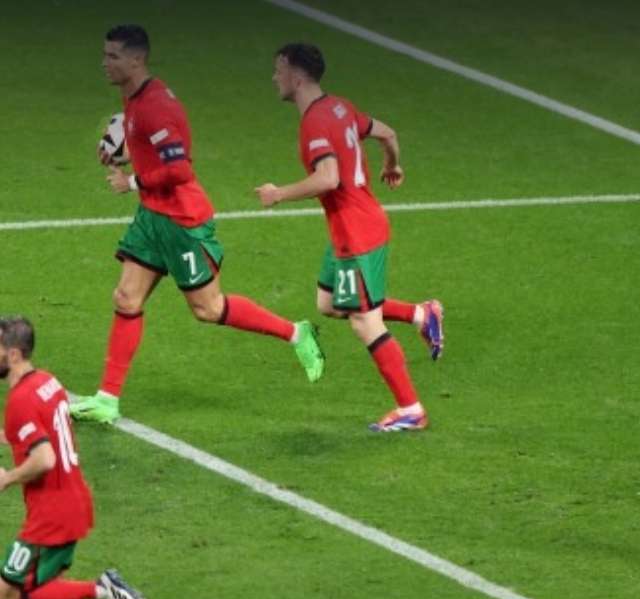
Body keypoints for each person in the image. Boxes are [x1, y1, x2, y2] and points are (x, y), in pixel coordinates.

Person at [70, 24, 325, 425]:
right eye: (105, 54)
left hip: (182, 222)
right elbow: (156, 149)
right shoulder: (134, 97)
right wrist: (127, 152)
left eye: (112, 56)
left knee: (208, 309)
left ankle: (297, 333)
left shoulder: (156, 106)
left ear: (136, 60)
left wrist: (131, 181)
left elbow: (180, 170)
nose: (105, 63)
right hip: (153, 217)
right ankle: (107, 399)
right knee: (126, 299)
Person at [254, 42, 443, 433]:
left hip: (356, 234)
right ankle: (421, 314)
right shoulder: (340, 107)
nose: (274, 77)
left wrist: (279, 194)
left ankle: (411, 409)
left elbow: (328, 178)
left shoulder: (313, 123)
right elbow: (388, 134)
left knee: (363, 322)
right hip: (353, 226)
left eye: (279, 70)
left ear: (297, 76)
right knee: (329, 304)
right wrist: (392, 165)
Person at [0, 316, 148, 599]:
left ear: (13, 354)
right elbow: (36, 433)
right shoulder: (48, 382)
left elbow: (44, 458)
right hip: (72, 500)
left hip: (52, 514)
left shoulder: (19, 400)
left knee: (7, 591)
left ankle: (103, 588)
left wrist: (8, 478)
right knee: (52, 584)